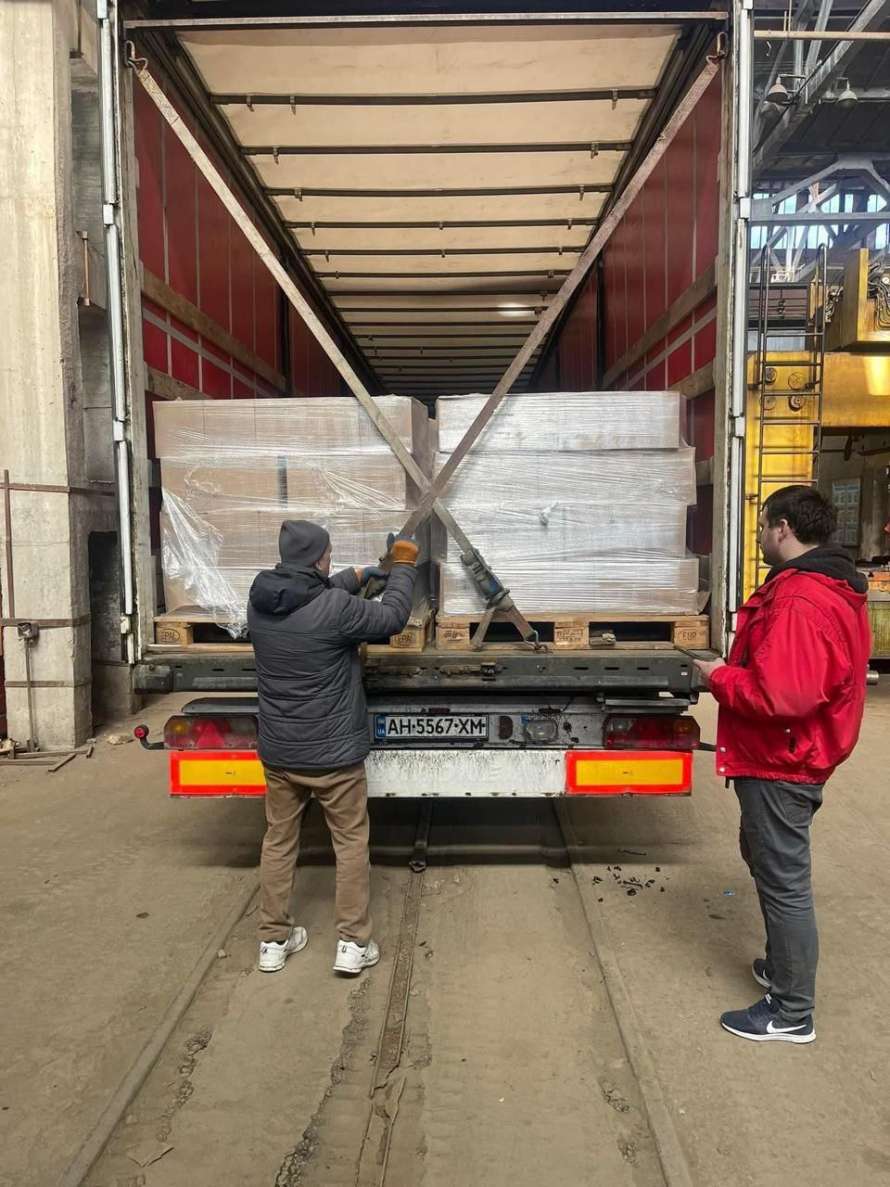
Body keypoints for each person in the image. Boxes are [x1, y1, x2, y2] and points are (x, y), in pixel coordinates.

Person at [695, 485, 870, 1044]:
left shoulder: (799, 599)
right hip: (786, 755)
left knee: (784, 882)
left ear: (784, 528)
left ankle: (791, 1011)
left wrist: (718, 676)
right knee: (766, 859)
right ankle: (781, 968)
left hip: (783, 760)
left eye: (764, 526)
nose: (760, 536)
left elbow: (780, 696)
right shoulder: (823, 585)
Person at [247, 519, 419, 975]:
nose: (330, 561)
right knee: (350, 843)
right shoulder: (337, 611)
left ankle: (272, 940)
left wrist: (358, 576)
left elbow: (308, 595)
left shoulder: (260, 599)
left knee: (278, 841)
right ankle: (352, 943)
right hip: (334, 759)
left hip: (281, 753)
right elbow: (393, 618)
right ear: (318, 558)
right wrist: (403, 566)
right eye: (328, 555)